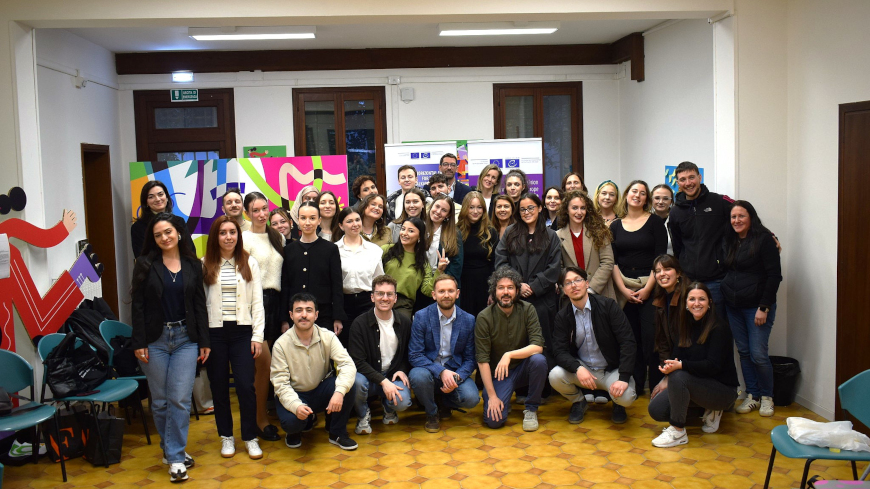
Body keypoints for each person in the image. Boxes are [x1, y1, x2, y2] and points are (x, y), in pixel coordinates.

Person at [131, 213, 210, 483]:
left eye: (168, 232)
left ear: (178, 233)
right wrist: (139, 342)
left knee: (179, 399)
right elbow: (138, 305)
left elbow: (199, 304)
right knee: (161, 400)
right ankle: (170, 449)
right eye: (158, 235)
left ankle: (175, 458)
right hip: (155, 340)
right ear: (153, 239)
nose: (164, 237)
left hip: (186, 338)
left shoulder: (192, 264)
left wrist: (204, 340)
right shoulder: (144, 264)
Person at [202, 216, 264, 459]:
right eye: (223, 232)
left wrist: (257, 336)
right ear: (215, 237)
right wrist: (203, 340)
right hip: (215, 333)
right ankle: (226, 436)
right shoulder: (204, 264)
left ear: (238, 235)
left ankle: (250, 437)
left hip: (242, 333)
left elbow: (257, 303)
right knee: (218, 387)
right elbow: (200, 306)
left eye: (232, 232)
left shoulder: (250, 262)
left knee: (245, 386)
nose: (228, 237)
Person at [648, 283, 739, 447]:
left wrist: (680, 367)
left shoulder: (720, 328)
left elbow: (713, 366)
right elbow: (676, 357)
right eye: (692, 299)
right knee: (656, 410)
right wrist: (666, 376)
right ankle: (705, 410)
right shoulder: (684, 325)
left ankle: (678, 431)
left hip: (723, 390)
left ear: (710, 302)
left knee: (679, 377)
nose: (697, 303)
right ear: (686, 303)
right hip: (696, 384)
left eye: (701, 299)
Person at [549, 267, 637, 424]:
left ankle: (617, 403)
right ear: (564, 290)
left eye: (577, 280)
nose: (574, 285)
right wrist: (577, 368)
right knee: (555, 376)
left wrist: (623, 378)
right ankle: (579, 402)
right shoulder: (562, 316)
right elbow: (559, 351)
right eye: (568, 283)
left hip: (611, 370)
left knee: (626, 397)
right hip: (584, 370)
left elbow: (628, 342)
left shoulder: (608, 306)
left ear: (587, 283)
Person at [271, 293, 358, 451]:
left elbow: (348, 365)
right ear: (291, 315)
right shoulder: (280, 345)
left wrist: (339, 392)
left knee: (350, 385)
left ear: (316, 315)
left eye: (309, 310)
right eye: (299, 310)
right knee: (292, 423)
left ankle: (337, 433)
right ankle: (295, 431)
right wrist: (296, 406)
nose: (304, 315)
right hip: (295, 393)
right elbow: (280, 383)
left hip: (319, 390)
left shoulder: (328, 336)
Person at [495, 193, 561, 400]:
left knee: (543, 342)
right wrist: (517, 285)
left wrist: (533, 286)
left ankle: (543, 389)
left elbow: (554, 268)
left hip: (542, 300)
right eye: (522, 209)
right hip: (516, 299)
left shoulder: (551, 235)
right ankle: (521, 389)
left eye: (531, 208)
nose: (526, 212)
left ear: (540, 208)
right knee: (519, 343)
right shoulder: (511, 232)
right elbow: (501, 262)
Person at [721, 200, 782, 417]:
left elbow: (774, 276)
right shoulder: (730, 239)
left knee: (758, 354)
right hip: (733, 306)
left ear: (751, 217)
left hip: (757, 307)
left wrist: (764, 307)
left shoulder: (764, 240)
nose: (736, 220)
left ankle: (767, 397)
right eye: (733, 217)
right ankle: (752, 395)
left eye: (741, 216)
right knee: (744, 353)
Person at [610, 180, 668, 395]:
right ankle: (634, 385)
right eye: (634, 191)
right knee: (629, 338)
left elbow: (660, 259)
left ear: (647, 199)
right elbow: (612, 261)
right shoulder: (615, 225)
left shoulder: (655, 223)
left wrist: (647, 289)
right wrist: (623, 290)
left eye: (642, 193)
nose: (637, 195)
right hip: (623, 286)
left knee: (651, 337)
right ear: (626, 195)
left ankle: (655, 387)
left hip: (651, 284)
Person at [475, 266, 547, 431]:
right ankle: (502, 398)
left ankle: (531, 409)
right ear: (494, 292)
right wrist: (492, 396)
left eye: (510, 288)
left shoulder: (527, 309)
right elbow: (482, 360)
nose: (506, 292)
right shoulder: (484, 317)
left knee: (539, 360)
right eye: (501, 288)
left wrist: (509, 355)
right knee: (494, 421)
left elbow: (538, 346)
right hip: (498, 375)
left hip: (523, 369)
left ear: (517, 291)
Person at [409, 274, 480, 432]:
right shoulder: (421, 317)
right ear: (434, 295)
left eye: (450, 291)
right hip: (428, 370)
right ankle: (432, 413)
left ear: (457, 293)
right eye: (441, 291)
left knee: (472, 399)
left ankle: (443, 402)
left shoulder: (468, 320)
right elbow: (415, 355)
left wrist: (456, 377)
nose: (446, 295)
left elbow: (470, 359)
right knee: (417, 376)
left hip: (455, 371)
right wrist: (441, 372)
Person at [241, 192, 284, 442]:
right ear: (247, 213)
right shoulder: (243, 239)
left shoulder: (277, 236)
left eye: (264, 209)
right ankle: (259, 419)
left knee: (273, 364)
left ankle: (266, 413)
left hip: (277, 304)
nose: (261, 214)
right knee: (262, 365)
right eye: (255, 210)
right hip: (255, 304)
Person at [348, 275, 413, 434]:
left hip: (392, 375)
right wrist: (383, 381)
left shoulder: (405, 322)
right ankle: (363, 414)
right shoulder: (359, 324)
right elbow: (357, 362)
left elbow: (409, 353)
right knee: (355, 381)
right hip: (367, 377)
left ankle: (389, 407)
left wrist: (402, 369)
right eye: (380, 293)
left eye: (389, 294)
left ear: (395, 298)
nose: (385, 298)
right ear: (372, 297)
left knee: (403, 402)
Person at [668, 161, 733, 318]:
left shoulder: (719, 201)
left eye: (692, 177)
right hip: (689, 281)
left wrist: (771, 236)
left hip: (716, 280)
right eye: (683, 179)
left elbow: (746, 215)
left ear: (700, 177)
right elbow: (677, 246)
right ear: (678, 183)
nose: (688, 183)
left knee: (718, 325)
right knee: (691, 326)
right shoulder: (675, 212)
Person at [281, 202, 347, 344]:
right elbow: (285, 285)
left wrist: (337, 317)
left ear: (319, 220)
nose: (307, 222)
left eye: (312, 218)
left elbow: (336, 285)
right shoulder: (289, 250)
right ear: (297, 221)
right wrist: (284, 319)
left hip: (324, 314)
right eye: (303, 218)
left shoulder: (330, 249)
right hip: (296, 315)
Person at [556, 190, 616, 301]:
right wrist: (570, 289)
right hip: (573, 296)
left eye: (583, 208)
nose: (579, 212)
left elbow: (607, 262)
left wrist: (591, 289)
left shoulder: (599, 231)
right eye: (574, 208)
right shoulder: (558, 236)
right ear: (567, 210)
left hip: (600, 293)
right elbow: (559, 268)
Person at [336, 206, 385, 329]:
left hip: (367, 302)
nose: (355, 224)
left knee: (367, 338)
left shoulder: (374, 250)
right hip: (343, 303)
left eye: (357, 220)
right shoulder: (334, 249)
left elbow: (379, 280)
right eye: (349, 221)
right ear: (341, 226)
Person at [381, 217, 439, 319]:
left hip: (404, 303)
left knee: (403, 326)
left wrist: (440, 270)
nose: (405, 233)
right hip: (381, 297)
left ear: (419, 236)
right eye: (403, 229)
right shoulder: (386, 250)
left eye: (411, 231)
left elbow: (427, 290)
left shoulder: (423, 262)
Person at [651, 254, 691, 397]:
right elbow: (662, 341)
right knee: (656, 403)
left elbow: (684, 340)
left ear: (678, 273)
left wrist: (670, 376)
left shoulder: (689, 296)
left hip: (691, 364)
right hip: (676, 363)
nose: (662, 274)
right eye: (658, 271)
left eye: (667, 269)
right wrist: (666, 372)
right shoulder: (661, 298)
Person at [457, 191, 499, 318]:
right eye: (471, 207)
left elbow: (495, 264)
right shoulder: (456, 231)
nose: (475, 211)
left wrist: (493, 290)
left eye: (479, 207)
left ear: (484, 210)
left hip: (485, 285)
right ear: (465, 208)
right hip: (462, 285)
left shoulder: (491, 232)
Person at [131, 181, 195, 258]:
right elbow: (141, 258)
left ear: (167, 197)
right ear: (146, 202)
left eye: (160, 194)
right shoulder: (138, 227)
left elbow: (190, 250)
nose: (157, 199)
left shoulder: (179, 221)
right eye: (151, 197)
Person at [650, 184, 674, 255]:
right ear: (651, 200)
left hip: (674, 260)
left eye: (666, 199)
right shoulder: (644, 220)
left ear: (671, 201)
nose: (660, 202)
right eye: (657, 198)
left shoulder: (677, 220)